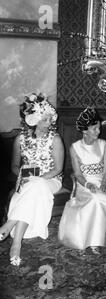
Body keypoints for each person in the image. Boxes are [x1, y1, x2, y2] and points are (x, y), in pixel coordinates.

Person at [0, 93, 64, 266]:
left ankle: (9, 224)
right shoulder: (20, 140)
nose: (50, 123)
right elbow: (14, 166)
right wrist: (22, 175)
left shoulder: (55, 139)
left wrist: (37, 178)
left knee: (37, 185)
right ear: (34, 120)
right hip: (28, 183)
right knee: (34, 188)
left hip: (51, 181)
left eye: (51, 119)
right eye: (45, 120)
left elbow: (58, 168)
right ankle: (16, 244)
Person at [58, 107, 106, 254]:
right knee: (94, 200)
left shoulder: (104, 144)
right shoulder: (75, 147)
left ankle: (96, 241)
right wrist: (89, 185)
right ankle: (86, 239)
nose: (98, 132)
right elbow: (77, 174)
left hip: (101, 181)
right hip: (85, 184)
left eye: (99, 128)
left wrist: (103, 183)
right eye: (95, 129)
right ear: (85, 131)